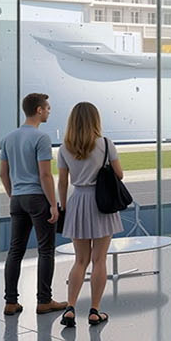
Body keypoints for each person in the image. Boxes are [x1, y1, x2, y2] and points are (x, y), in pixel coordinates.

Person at [56, 102, 124, 328]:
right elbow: (119, 174)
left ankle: (70, 308)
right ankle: (95, 310)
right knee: (99, 260)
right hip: (101, 202)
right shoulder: (105, 144)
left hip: (77, 202)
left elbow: (63, 182)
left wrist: (63, 207)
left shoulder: (65, 147)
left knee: (80, 260)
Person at [0, 93, 66, 316]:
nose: (49, 112)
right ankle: (44, 301)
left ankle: (10, 302)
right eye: (47, 108)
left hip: (17, 199)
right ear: (38, 110)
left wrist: (13, 195)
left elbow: (3, 173)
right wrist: (53, 205)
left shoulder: (8, 138)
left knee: (15, 251)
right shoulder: (41, 138)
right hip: (38, 198)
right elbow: (45, 175)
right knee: (46, 250)